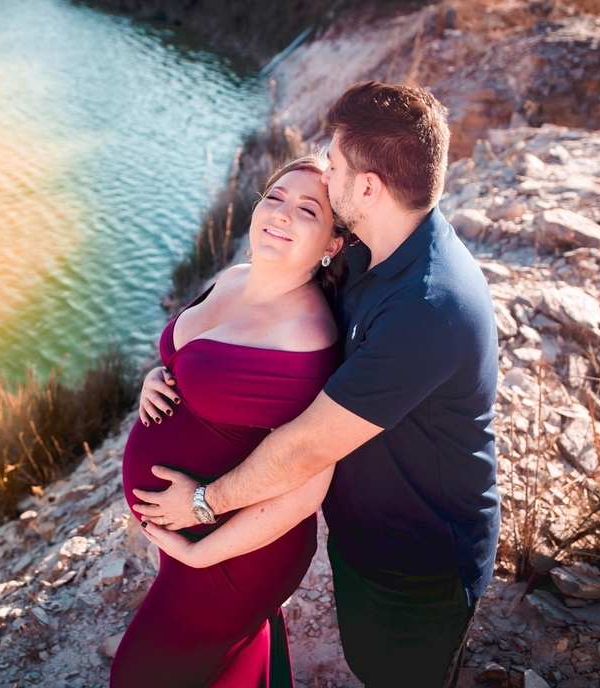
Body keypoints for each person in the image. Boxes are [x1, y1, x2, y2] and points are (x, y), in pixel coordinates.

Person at [133, 81, 500, 688]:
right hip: (360, 535)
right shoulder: (371, 255)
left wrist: (202, 508)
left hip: (417, 561)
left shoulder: (427, 308)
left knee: (397, 676)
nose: (322, 177)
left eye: (332, 168)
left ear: (367, 188)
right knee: (363, 661)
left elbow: (307, 445)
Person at [111, 156, 349, 688]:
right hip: (195, 534)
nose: (281, 214)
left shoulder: (306, 339)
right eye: (275, 197)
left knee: (139, 678)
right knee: (220, 668)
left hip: (236, 553)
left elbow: (309, 485)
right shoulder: (234, 278)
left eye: (307, 209)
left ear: (332, 244)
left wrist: (200, 549)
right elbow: (195, 361)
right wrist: (160, 373)